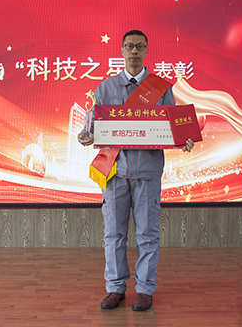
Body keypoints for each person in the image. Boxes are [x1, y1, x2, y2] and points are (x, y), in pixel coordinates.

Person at [78, 30, 194, 311]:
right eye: (129, 46)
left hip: (147, 172)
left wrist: (184, 139)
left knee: (147, 234)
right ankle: (115, 287)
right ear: (121, 50)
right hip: (114, 172)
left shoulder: (161, 88)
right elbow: (91, 126)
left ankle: (144, 289)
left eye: (139, 47)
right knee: (113, 234)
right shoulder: (105, 88)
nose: (134, 51)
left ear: (146, 51)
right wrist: (86, 135)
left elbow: (172, 127)